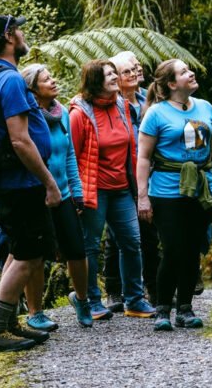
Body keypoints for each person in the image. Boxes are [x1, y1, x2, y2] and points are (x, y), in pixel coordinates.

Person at [0, 14, 62, 357]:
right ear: (10, 36)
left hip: (9, 182)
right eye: (20, 29)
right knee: (28, 256)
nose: (24, 35)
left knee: (17, 251)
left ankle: (9, 323)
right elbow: (20, 141)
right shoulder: (10, 80)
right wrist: (49, 182)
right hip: (22, 182)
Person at [136, 59, 212, 331]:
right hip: (167, 191)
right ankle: (163, 309)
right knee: (172, 248)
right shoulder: (156, 114)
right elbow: (144, 157)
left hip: (202, 190)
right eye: (184, 72)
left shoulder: (205, 108)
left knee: (193, 248)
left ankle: (185, 308)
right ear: (172, 84)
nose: (191, 73)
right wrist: (143, 196)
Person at [69, 60, 156, 320]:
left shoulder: (121, 105)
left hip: (121, 188)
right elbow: (71, 154)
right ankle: (91, 300)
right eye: (109, 74)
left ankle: (134, 299)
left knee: (132, 242)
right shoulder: (79, 113)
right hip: (94, 190)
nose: (115, 78)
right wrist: (75, 193)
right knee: (91, 246)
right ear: (95, 80)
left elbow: (133, 146)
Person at [19, 63, 93, 329]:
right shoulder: (26, 116)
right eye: (46, 79)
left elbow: (70, 154)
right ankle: (35, 312)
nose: (53, 81)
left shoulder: (62, 113)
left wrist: (77, 192)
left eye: (52, 76)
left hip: (63, 194)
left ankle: (82, 300)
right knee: (36, 255)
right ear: (32, 88)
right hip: (37, 196)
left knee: (77, 249)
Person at [102, 53, 159, 310]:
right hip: (121, 174)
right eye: (126, 72)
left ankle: (152, 287)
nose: (134, 74)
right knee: (118, 235)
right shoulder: (109, 105)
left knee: (147, 232)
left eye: (135, 69)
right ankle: (114, 290)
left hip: (150, 171)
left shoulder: (150, 99)